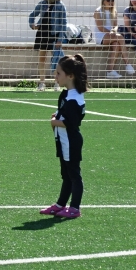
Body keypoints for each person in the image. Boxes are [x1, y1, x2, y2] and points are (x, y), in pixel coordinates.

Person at [40, 54, 88, 219]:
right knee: (66, 174)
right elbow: (63, 114)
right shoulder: (65, 94)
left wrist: (54, 122)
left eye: (58, 73)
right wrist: (57, 116)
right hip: (63, 141)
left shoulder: (75, 98)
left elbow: (70, 123)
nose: (55, 77)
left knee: (74, 174)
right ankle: (60, 205)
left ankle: (74, 208)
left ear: (70, 76)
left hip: (71, 141)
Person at [29, 0, 67, 91]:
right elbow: (32, 14)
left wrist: (60, 39)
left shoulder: (60, 6)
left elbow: (63, 24)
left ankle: (57, 83)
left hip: (54, 35)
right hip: (42, 33)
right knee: (42, 58)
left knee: (56, 59)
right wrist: (32, 24)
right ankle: (42, 83)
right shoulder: (42, 4)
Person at [93, 0, 135, 79]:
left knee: (116, 45)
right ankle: (127, 63)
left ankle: (110, 71)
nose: (110, 2)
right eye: (108, 0)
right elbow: (100, 27)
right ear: (103, 1)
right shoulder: (98, 11)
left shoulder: (114, 11)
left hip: (111, 34)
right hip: (101, 35)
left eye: (112, 0)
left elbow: (116, 25)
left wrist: (113, 31)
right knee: (120, 37)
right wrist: (111, 32)